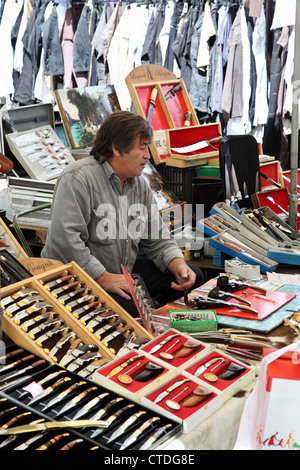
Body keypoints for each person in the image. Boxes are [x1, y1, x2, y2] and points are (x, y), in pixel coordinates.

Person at [41, 111, 204, 316]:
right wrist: (103, 277)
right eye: (142, 147)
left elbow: (158, 238)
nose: (147, 155)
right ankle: (144, 327)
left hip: (121, 268)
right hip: (76, 275)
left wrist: (177, 263)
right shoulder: (77, 178)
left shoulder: (139, 185)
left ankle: (157, 323)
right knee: (130, 307)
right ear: (117, 149)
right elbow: (65, 242)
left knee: (193, 277)